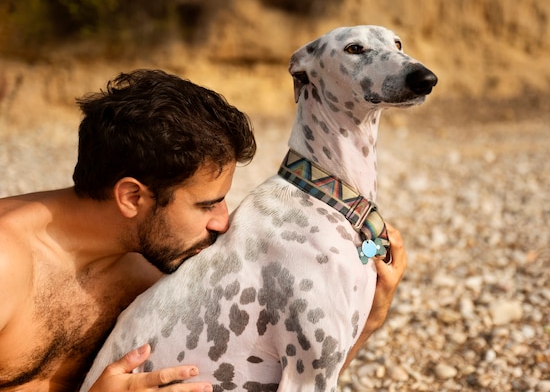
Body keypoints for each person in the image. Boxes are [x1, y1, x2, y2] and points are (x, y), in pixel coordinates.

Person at [0, 69, 407, 392]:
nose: (223, 222)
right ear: (131, 197)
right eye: (206, 204)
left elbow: (297, 377)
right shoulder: (7, 263)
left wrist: (366, 320)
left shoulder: (153, 269)